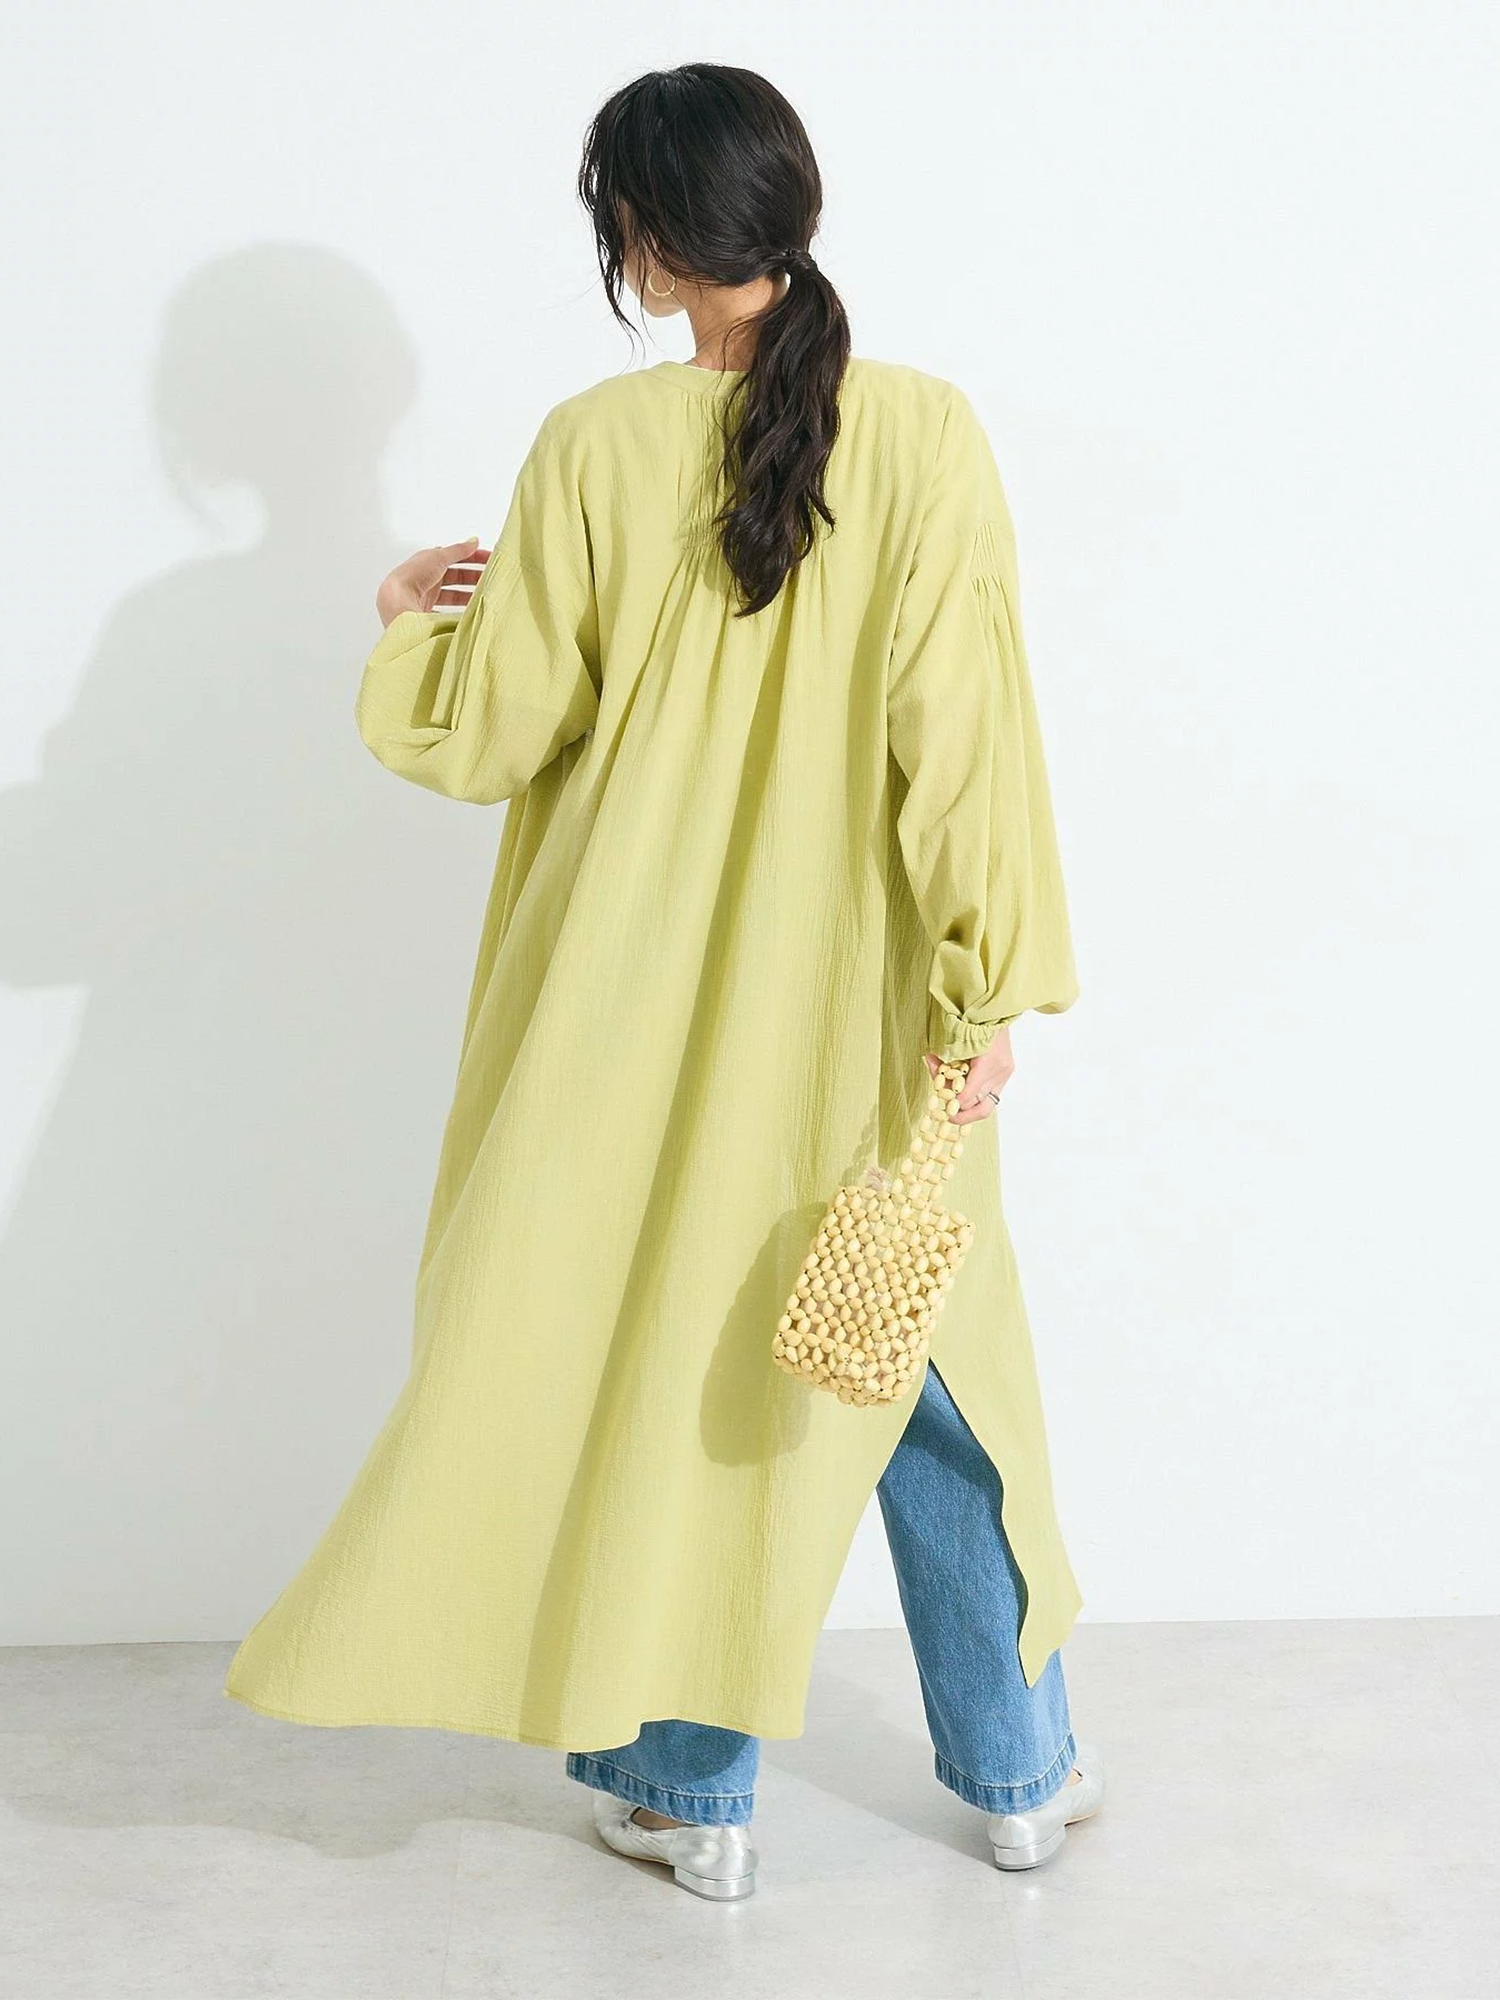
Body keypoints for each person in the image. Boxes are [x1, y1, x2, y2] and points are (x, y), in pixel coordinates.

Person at [224, 62, 1103, 1900]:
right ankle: (1020, 1779)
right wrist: (990, 991)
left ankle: (695, 1805)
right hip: (867, 1020)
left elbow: (489, 734)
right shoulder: (929, 433)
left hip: (624, 1023)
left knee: (686, 1374)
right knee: (922, 1367)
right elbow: (966, 745)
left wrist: (397, 626)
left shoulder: (592, 448)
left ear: (637, 239)